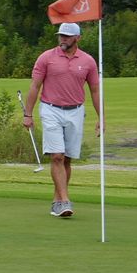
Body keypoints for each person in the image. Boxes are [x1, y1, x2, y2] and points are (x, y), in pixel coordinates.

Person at [23, 21, 101, 219]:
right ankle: (65, 201)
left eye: (67, 36)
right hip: (50, 109)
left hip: (75, 111)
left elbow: (95, 90)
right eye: (61, 35)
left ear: (77, 38)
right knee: (56, 156)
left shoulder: (88, 61)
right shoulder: (46, 58)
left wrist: (102, 117)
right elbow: (35, 86)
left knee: (67, 159)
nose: (62, 39)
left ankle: (57, 201)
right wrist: (28, 114)